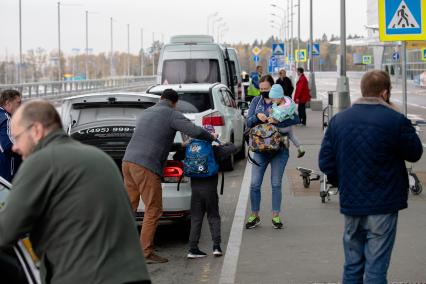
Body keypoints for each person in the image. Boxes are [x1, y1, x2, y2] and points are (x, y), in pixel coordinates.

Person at [0, 100, 151, 284]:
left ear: (36, 130)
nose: (14, 146)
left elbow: (5, 232)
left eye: (17, 137)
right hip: (135, 276)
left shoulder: (41, 161)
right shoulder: (100, 158)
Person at [319, 70, 423, 283]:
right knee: (376, 268)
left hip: (352, 203)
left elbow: (325, 162)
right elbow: (414, 153)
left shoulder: (339, 120)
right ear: (385, 93)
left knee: (352, 265)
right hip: (383, 204)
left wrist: (342, 183)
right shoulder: (395, 120)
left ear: (363, 90)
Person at [122, 89, 217, 264]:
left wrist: (180, 145)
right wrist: (211, 137)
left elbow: (154, 139)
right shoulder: (172, 113)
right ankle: (146, 253)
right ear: (174, 102)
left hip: (128, 162)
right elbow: (195, 131)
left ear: (161, 99)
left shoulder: (147, 112)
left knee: (130, 207)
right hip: (145, 166)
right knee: (154, 209)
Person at [245, 74, 299, 230]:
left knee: (276, 184)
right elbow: (248, 122)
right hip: (260, 149)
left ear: (273, 87)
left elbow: (296, 119)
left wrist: (278, 120)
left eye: (266, 89)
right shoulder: (256, 101)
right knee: (254, 184)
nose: (263, 92)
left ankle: (276, 216)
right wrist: (257, 116)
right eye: (261, 89)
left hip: (279, 149)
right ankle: (255, 215)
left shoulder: (285, 100)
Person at [174, 132, 237, 259]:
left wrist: (187, 145)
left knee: (196, 218)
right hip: (210, 190)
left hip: (195, 190)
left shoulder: (189, 148)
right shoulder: (214, 150)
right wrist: (221, 142)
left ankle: (192, 248)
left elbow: (176, 157)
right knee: (213, 216)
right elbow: (233, 148)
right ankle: (216, 247)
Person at [268, 84, 305, 158]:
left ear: (280, 97)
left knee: (274, 132)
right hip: (289, 126)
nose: (273, 102)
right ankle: (300, 148)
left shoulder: (282, 108)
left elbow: (279, 118)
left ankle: (284, 141)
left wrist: (271, 113)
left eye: (274, 100)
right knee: (292, 136)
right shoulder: (288, 101)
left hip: (283, 128)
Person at [0, 89, 22, 182]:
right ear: (8, 103)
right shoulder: (6, 119)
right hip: (8, 169)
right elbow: (8, 146)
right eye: (18, 103)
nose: (21, 106)